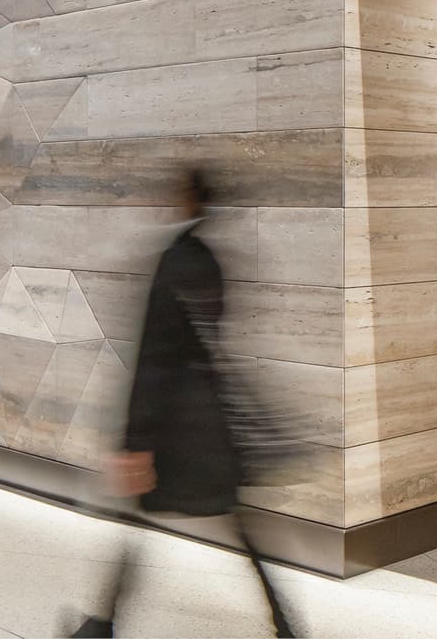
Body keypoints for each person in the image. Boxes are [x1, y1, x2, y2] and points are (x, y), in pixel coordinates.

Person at [103, 167, 295, 638]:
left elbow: (154, 357)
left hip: (175, 426)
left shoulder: (174, 262)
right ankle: (285, 624)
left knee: (139, 521)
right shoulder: (210, 260)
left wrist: (136, 439)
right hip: (210, 420)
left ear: (189, 197)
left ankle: (102, 626)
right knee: (237, 527)